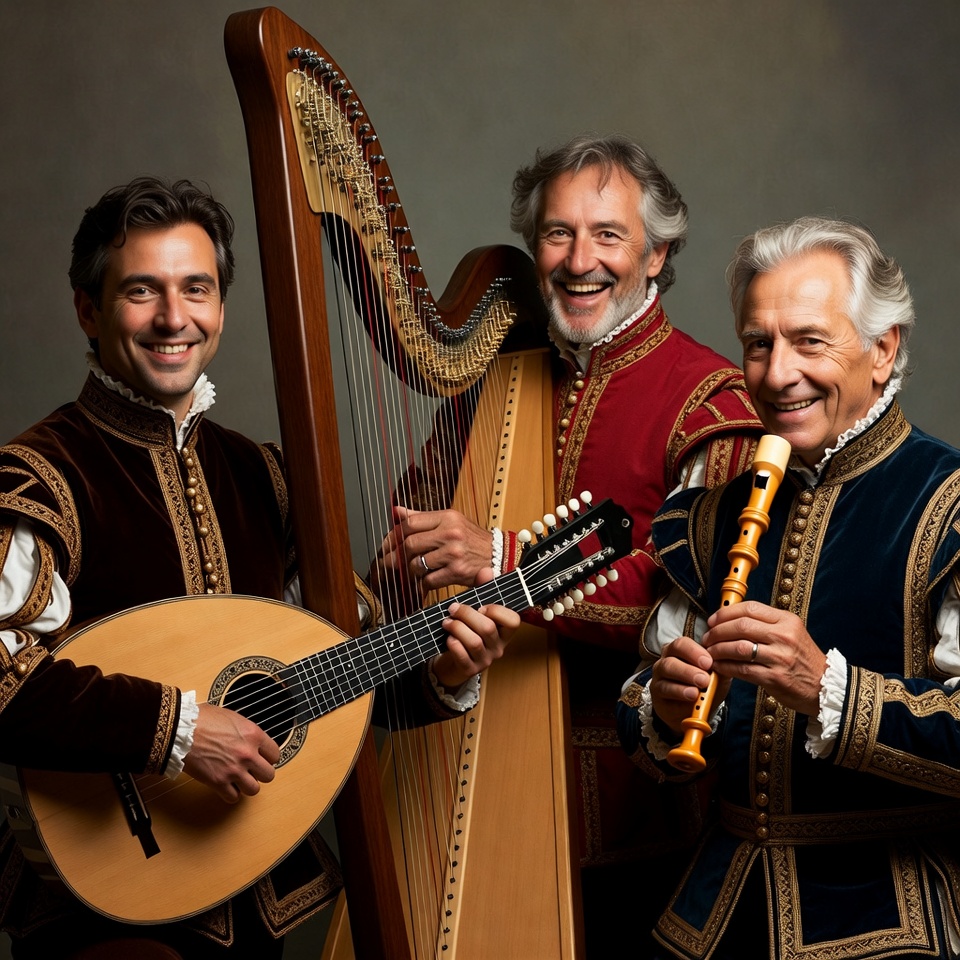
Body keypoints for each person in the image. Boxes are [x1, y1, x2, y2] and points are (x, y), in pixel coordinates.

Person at [0, 176, 519, 958]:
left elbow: (345, 677)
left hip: (251, 895)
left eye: (196, 288)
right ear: (87, 309)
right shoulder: (40, 476)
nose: (174, 317)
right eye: (142, 290)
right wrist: (180, 731)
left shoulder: (267, 474)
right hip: (100, 908)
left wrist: (443, 671)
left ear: (220, 306)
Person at [376, 134, 763, 952]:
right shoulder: (496, 378)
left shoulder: (710, 402)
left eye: (608, 235)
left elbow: (685, 603)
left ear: (656, 256)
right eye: (558, 233)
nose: (579, 260)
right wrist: (404, 559)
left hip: (628, 816)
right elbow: (414, 534)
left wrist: (503, 560)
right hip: (462, 766)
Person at [618, 216, 960, 959]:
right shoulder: (711, 516)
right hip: (714, 913)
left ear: (882, 349)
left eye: (809, 341)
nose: (776, 376)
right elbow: (639, 724)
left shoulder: (950, 502)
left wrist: (830, 688)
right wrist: (663, 706)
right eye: (758, 343)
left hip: (890, 918)